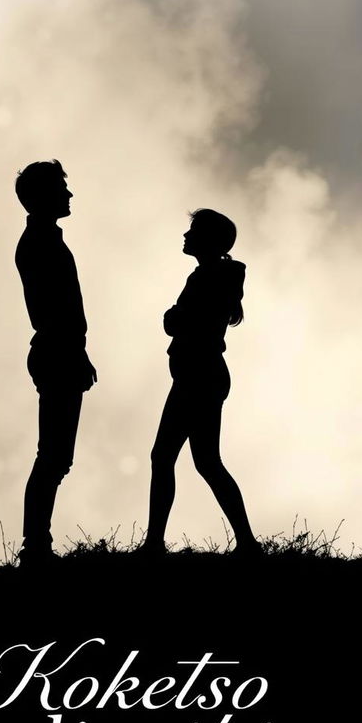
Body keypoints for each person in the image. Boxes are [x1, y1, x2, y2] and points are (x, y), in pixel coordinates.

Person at [142, 208, 261, 559]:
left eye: (192, 231)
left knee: (167, 457)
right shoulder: (213, 276)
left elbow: (182, 321)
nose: (185, 236)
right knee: (205, 461)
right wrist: (177, 319)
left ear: (208, 239)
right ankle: (247, 543)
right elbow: (180, 320)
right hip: (200, 375)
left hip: (199, 375)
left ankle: (154, 545)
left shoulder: (212, 277)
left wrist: (176, 318)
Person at [14, 160, 97, 562]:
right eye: (62, 189)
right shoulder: (41, 243)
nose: (69, 195)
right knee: (53, 455)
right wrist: (74, 352)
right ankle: (36, 546)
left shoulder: (44, 239)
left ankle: (37, 544)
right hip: (56, 350)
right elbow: (57, 308)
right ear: (44, 196)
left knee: (55, 455)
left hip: (60, 349)